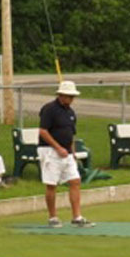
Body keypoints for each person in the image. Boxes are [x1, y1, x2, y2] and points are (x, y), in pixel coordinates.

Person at [38, 81, 92, 228]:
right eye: (69, 96)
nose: (71, 99)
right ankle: (52, 217)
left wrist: (71, 151)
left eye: (73, 96)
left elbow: (71, 134)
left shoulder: (71, 112)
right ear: (61, 95)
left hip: (67, 152)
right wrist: (57, 148)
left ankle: (77, 216)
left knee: (75, 181)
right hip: (49, 151)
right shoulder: (49, 109)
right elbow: (43, 131)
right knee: (51, 184)